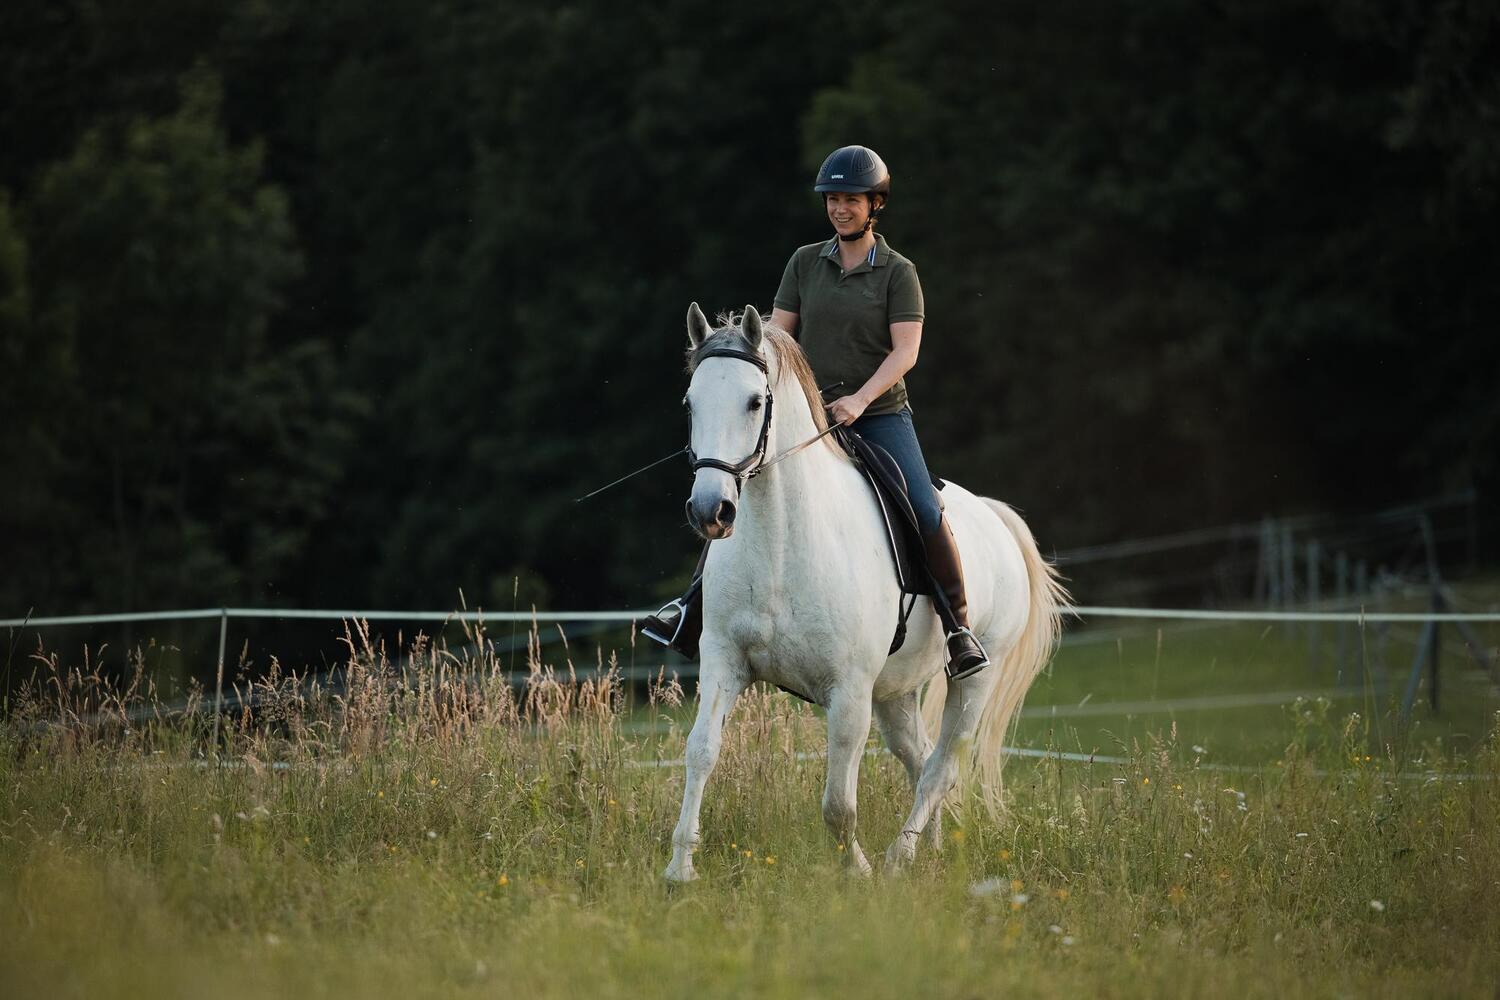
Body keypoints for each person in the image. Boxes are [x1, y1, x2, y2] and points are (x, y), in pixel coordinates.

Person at [642, 145, 990, 679]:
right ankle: (691, 609)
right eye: (832, 199)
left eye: (851, 199)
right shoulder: (805, 262)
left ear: (875, 205)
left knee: (923, 506)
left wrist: (859, 399)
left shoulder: (898, 273)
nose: (839, 208)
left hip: (878, 415)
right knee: (736, 485)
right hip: (808, 415)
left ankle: (958, 627)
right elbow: (777, 336)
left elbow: (906, 352)